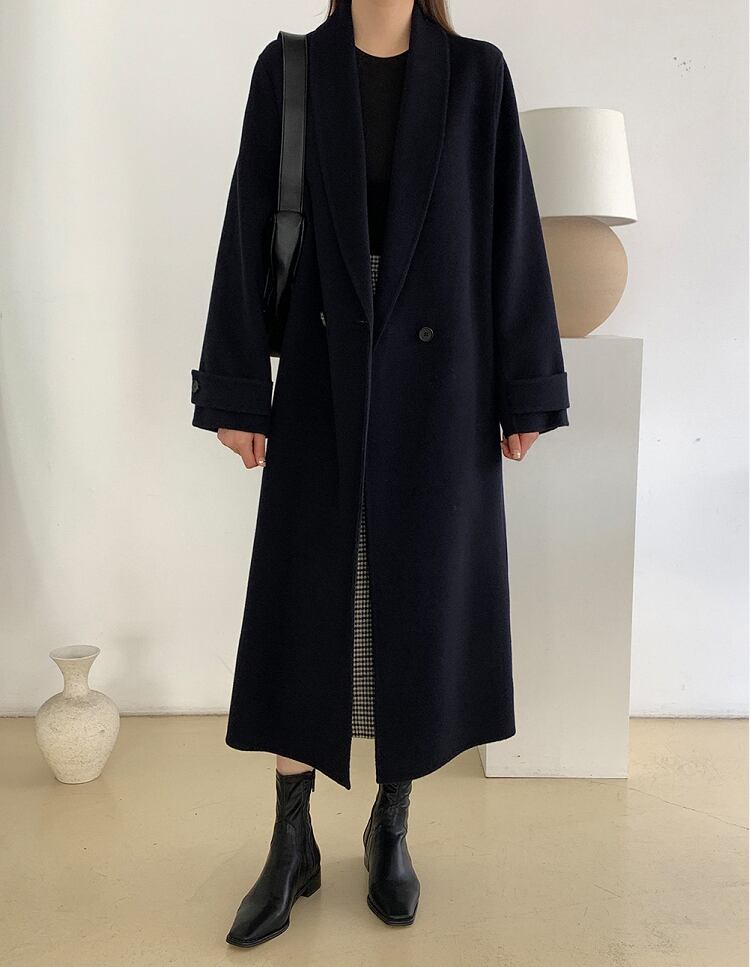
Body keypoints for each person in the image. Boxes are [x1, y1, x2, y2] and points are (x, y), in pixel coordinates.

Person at [190, 0, 569, 947]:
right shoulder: (290, 70)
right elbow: (247, 222)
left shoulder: (476, 75)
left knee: (417, 601)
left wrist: (526, 390)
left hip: (439, 388)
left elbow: (511, 234)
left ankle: (390, 822)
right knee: (302, 601)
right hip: (323, 374)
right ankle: (291, 841)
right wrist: (238, 389)